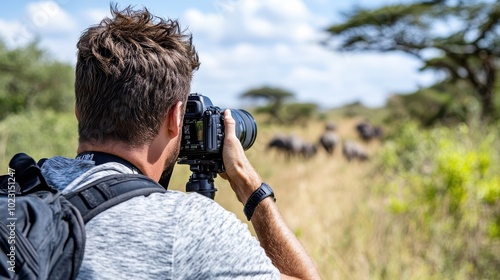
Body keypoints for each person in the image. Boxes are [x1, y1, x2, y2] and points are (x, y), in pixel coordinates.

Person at [41, 5, 321, 279]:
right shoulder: (187, 226)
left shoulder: (21, 189)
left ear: (78, 112)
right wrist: (250, 187)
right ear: (176, 117)